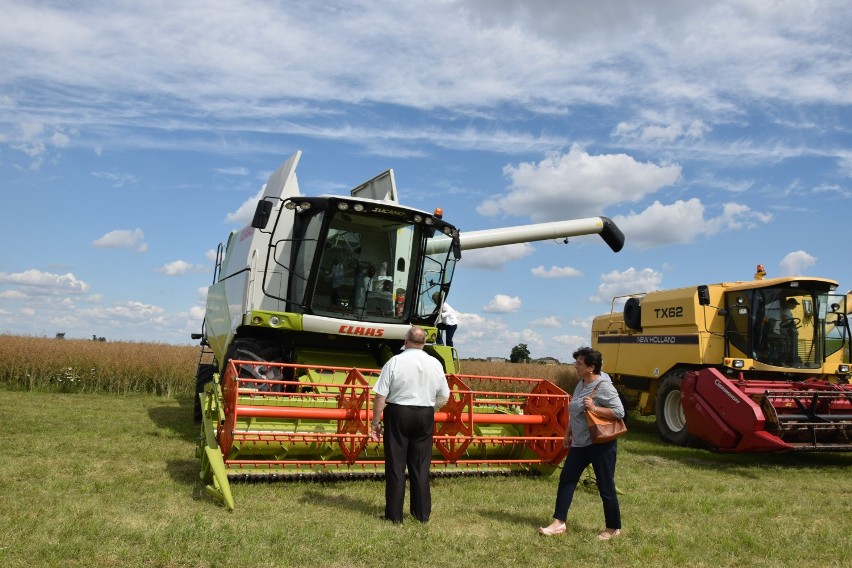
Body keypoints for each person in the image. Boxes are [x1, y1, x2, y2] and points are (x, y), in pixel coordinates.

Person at [539, 346, 625, 540]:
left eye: (579, 363)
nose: (575, 366)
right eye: (575, 362)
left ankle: (613, 528)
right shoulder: (581, 384)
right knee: (567, 479)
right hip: (579, 443)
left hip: (600, 443)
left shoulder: (604, 386)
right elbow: (575, 410)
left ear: (591, 367)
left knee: (605, 485)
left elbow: (619, 412)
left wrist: (594, 408)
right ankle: (559, 523)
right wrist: (568, 432)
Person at [371, 326, 450, 524]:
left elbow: (380, 394)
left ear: (405, 340)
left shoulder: (395, 361)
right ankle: (421, 515)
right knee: (421, 466)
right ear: (424, 342)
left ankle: (394, 517)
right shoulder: (435, 363)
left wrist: (375, 422)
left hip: (398, 413)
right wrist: (431, 409)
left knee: (396, 466)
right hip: (424, 414)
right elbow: (445, 395)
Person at [781, 297, 801, 364]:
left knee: (791, 342)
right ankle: (789, 357)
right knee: (790, 343)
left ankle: (791, 356)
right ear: (790, 304)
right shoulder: (786, 310)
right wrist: (790, 324)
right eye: (794, 304)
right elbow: (784, 318)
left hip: (788, 329)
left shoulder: (788, 311)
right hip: (786, 329)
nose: (795, 306)